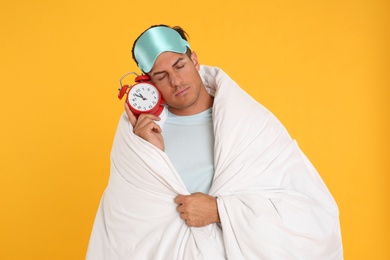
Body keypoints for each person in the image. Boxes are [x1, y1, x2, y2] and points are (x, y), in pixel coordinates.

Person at [87, 25, 343, 259]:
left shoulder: (249, 125)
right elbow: (123, 229)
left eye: (179, 65)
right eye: (161, 76)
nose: (176, 81)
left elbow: (310, 211)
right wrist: (149, 155)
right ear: (149, 83)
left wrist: (220, 211)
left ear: (195, 60)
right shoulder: (138, 138)